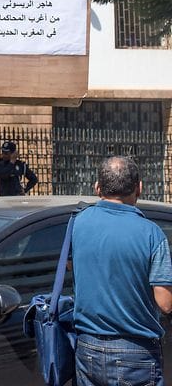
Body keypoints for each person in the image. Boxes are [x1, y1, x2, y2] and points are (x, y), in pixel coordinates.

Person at [72, 156, 172, 386]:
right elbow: (165, 302)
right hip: (136, 351)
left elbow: (71, 264)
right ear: (139, 188)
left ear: (97, 188)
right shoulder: (151, 233)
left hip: (87, 348)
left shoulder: (77, 223)